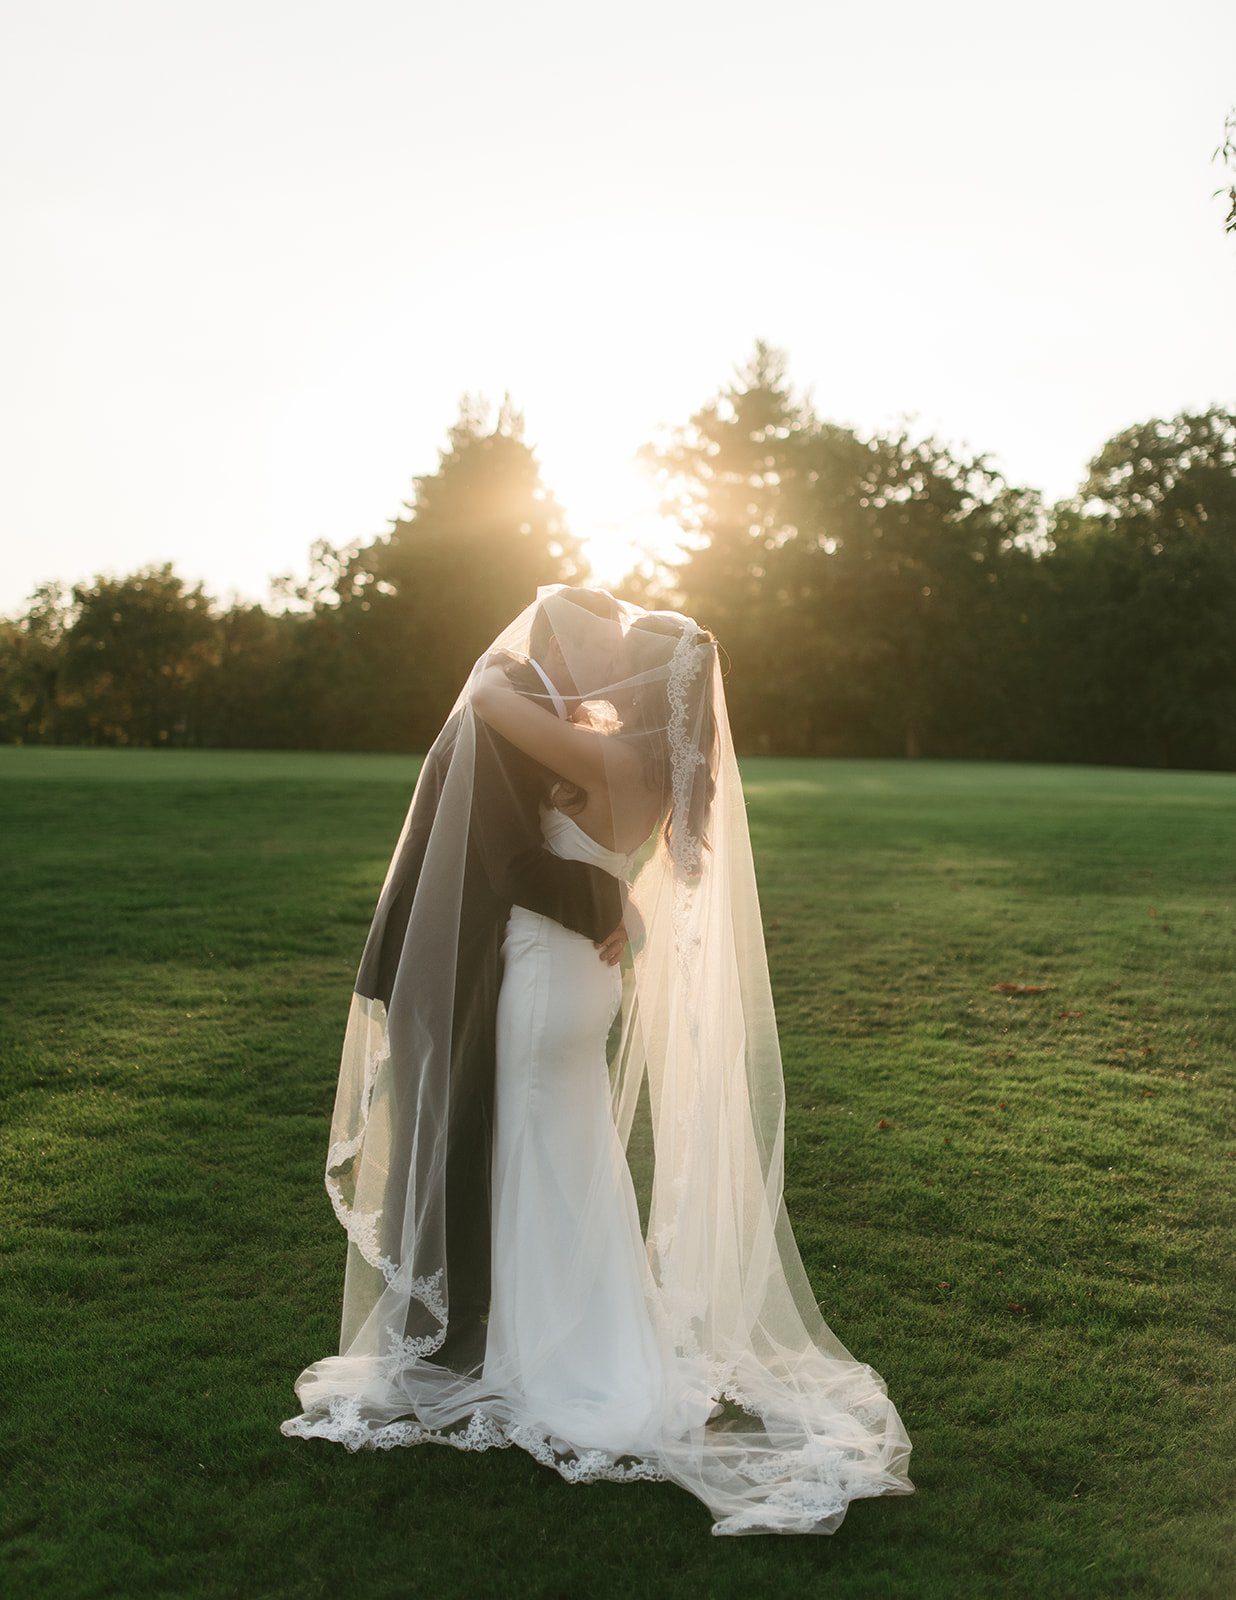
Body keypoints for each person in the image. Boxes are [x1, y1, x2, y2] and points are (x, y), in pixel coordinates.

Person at [281, 587, 915, 1537]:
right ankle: (577, 1340)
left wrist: (500, 672)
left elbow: (493, 707)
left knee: (537, 1153)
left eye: (624, 665)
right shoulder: (666, 768)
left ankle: (546, 1361)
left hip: (542, 979)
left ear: (647, 686)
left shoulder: (610, 754)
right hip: (585, 982)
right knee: (570, 1155)